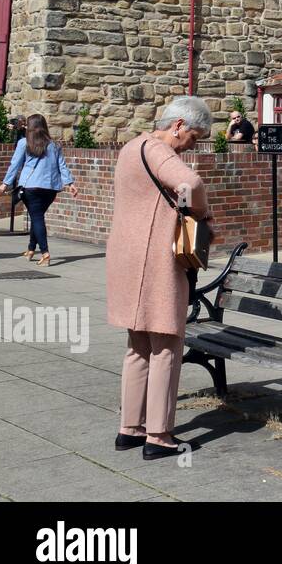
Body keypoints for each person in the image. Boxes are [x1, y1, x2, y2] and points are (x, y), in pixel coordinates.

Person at [106, 96, 213, 460]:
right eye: (194, 137)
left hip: (125, 256)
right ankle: (160, 435)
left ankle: (130, 429)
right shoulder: (161, 152)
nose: (193, 145)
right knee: (166, 344)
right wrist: (199, 212)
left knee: (137, 346)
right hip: (156, 260)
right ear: (178, 125)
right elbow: (190, 182)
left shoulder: (130, 147)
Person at [0, 114, 76, 266]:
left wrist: (5, 183)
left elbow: (15, 164)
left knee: (37, 218)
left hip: (31, 187)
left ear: (30, 126)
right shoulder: (54, 145)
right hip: (50, 188)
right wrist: (70, 183)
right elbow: (62, 166)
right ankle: (31, 249)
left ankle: (45, 253)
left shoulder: (24, 143)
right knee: (37, 217)